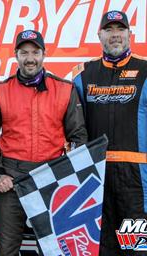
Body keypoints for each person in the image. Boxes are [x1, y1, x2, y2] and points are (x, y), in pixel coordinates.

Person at [0, 29, 88, 255]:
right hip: (12, 178)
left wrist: (67, 174)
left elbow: (78, 136)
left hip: (51, 178)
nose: (30, 58)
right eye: (24, 52)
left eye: (35, 52)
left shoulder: (65, 89)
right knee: (6, 249)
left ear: (44, 54)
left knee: (56, 249)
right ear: (16, 55)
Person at [72, 10, 147, 256]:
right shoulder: (83, 74)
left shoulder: (145, 69)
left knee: (135, 249)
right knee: (99, 248)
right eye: (109, 30)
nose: (115, 35)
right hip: (95, 178)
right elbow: (70, 125)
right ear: (99, 35)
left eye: (120, 30)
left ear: (129, 34)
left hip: (136, 181)